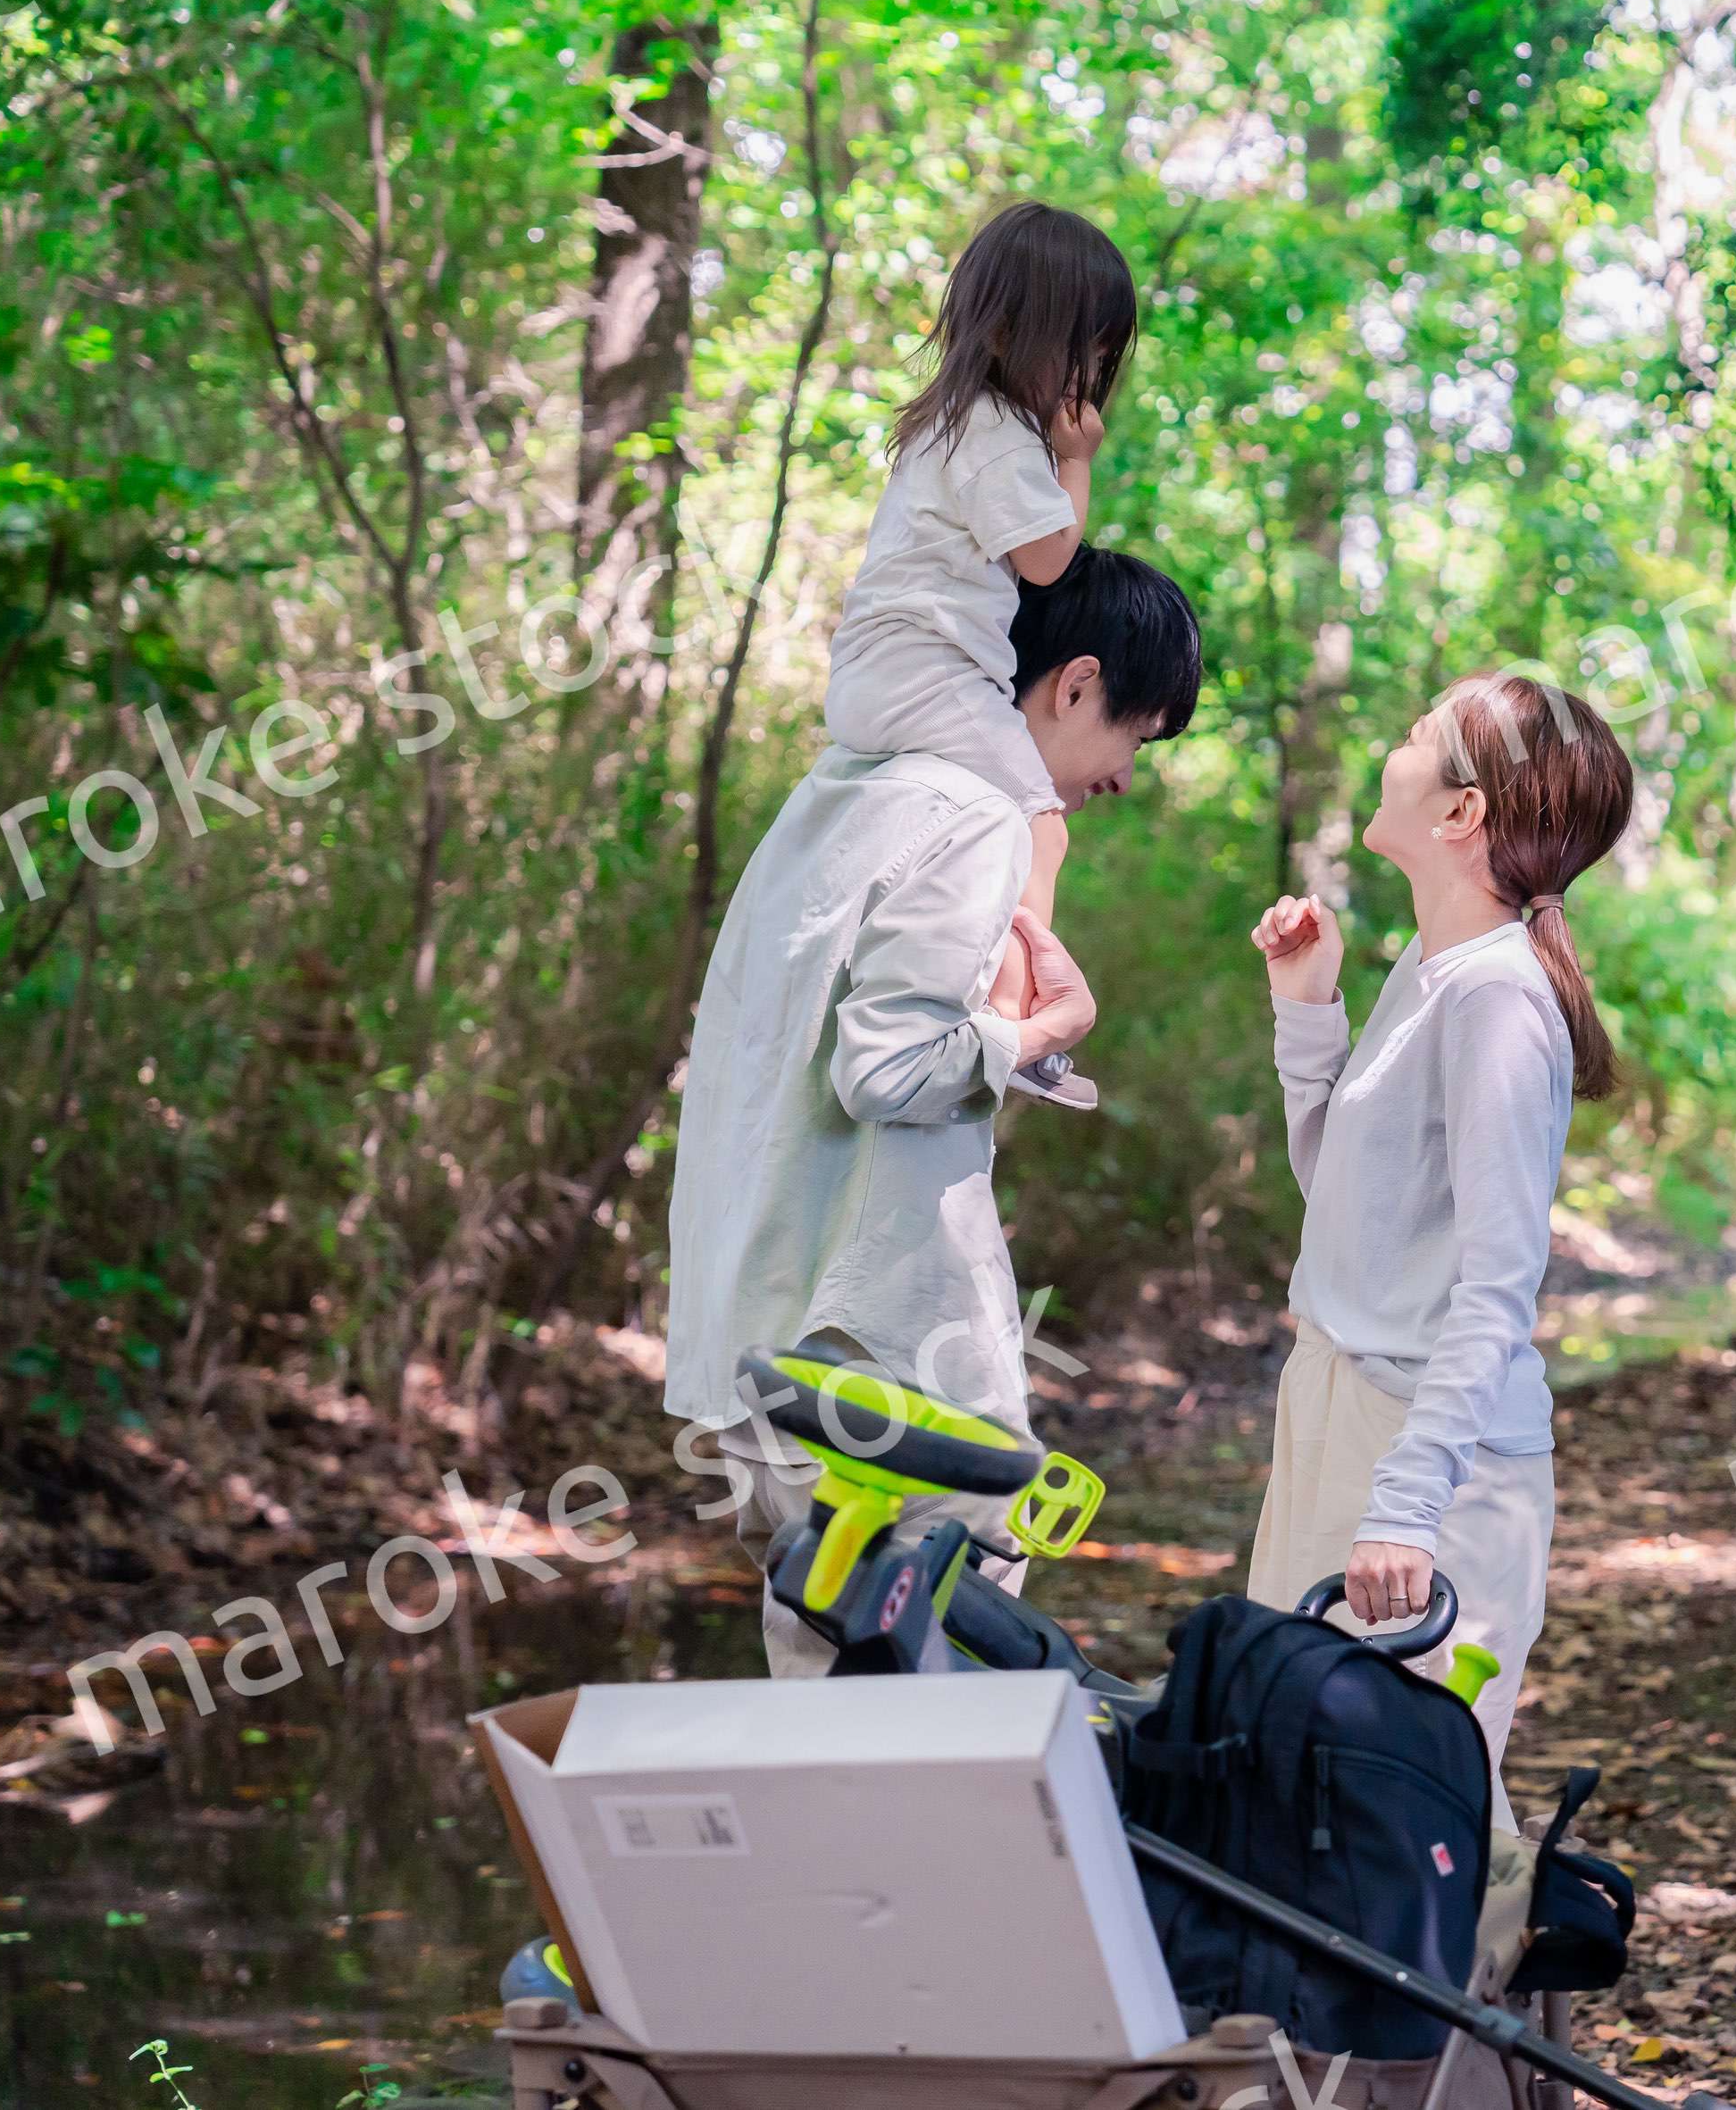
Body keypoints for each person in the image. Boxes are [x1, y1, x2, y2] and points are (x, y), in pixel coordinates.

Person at [665, 550, 1203, 1676]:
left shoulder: (840, 794)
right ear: (1074, 683)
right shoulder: (970, 816)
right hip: (879, 1368)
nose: (1125, 774)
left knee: (829, 1698)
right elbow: (885, 1071)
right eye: (1137, 737)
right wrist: (1040, 1034)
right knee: (920, 1730)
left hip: (770, 1337)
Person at [1245, 674, 1635, 1825]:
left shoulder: (1499, 1003)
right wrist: (1305, 1012)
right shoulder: (1427, 970)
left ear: (1463, 813)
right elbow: (1352, 1208)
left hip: (1430, 1453)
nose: (1393, 746)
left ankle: (1473, 2012)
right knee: (1294, 1801)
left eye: (1418, 737)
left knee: (1399, 1829)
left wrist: (1408, 1506)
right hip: (1336, 1400)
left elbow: (1495, 1288)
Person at [824, 199, 1139, 1020]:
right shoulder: (996, 436)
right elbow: (1048, 562)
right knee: (1041, 823)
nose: (1086, 376)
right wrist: (1077, 461)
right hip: (925, 674)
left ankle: (999, 993)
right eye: (1079, 353)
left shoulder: (949, 424)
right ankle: (1017, 1007)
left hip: (879, 672)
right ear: (1006, 335)